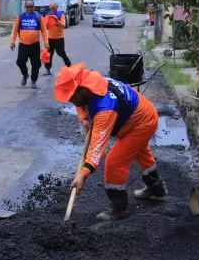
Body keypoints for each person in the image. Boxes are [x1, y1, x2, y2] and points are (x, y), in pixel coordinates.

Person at [55, 63, 166, 220]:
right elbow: (80, 104)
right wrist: (85, 118)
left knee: (114, 162)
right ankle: (156, 188)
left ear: (83, 90)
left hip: (142, 122)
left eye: (72, 98)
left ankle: (118, 207)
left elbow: (97, 148)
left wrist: (83, 175)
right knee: (141, 152)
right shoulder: (88, 82)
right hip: (136, 114)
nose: (71, 101)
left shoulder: (105, 109)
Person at [11, 0, 47, 88]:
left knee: (36, 64)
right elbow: (15, 30)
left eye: (31, 7)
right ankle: (25, 74)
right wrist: (12, 42)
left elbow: (44, 31)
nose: (29, 8)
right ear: (25, 8)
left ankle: (33, 81)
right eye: (27, 7)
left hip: (35, 45)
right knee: (20, 62)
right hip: (23, 44)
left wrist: (46, 43)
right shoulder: (20, 17)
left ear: (34, 7)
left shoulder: (39, 17)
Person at [43, 2, 71, 76]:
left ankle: (70, 66)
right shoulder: (48, 15)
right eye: (51, 9)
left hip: (59, 38)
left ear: (57, 7)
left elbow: (64, 25)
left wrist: (57, 21)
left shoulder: (61, 14)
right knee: (49, 54)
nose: (52, 10)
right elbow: (44, 25)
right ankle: (48, 69)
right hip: (50, 39)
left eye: (53, 8)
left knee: (61, 53)